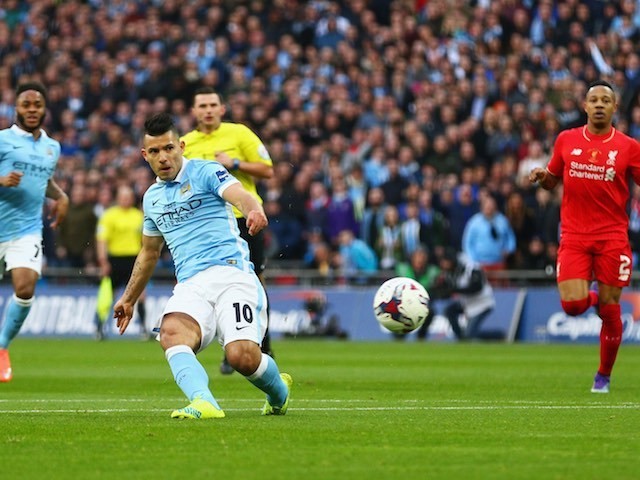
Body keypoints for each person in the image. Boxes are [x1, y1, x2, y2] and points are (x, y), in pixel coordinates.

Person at [113, 112, 292, 419]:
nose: (163, 157)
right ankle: (204, 402)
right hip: (191, 284)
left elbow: (240, 195)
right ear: (145, 155)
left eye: (168, 148)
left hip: (232, 275)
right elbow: (148, 253)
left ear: (181, 146)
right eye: (155, 151)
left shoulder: (206, 171)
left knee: (242, 357)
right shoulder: (152, 198)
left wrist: (253, 210)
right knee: (170, 333)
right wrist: (129, 299)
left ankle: (280, 391)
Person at [530, 80, 640, 393]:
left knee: (609, 311)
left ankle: (603, 377)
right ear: (585, 106)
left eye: (607, 100)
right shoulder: (566, 140)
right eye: (595, 100)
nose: (600, 104)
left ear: (615, 107)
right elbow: (552, 182)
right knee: (574, 306)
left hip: (612, 238)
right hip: (575, 236)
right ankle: (592, 295)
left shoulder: (630, 147)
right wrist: (542, 177)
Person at [181, 86, 274, 374]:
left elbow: (267, 169)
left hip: (242, 218)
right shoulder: (184, 143)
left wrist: (234, 163)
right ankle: (231, 346)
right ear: (193, 111)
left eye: (212, 104)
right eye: (202, 105)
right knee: (214, 283)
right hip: (205, 225)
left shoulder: (240, 134)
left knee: (254, 280)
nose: (207, 110)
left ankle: (260, 344)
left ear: (222, 109)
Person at [0, 81, 69, 382]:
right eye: (26, 104)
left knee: (26, 288)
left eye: (36, 105)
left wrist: (61, 196)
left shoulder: (51, 147)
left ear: (44, 109)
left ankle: (1, 348)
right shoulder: (2, 140)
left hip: (26, 229)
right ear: (16, 107)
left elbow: (44, 181)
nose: (31, 110)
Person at [95, 185, 147, 340]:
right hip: (114, 259)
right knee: (107, 296)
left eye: (128, 197)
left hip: (134, 260)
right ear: (118, 198)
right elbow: (102, 240)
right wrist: (103, 261)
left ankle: (143, 329)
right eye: (123, 197)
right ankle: (99, 328)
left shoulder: (139, 216)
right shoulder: (109, 215)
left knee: (141, 295)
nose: (126, 200)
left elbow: (145, 242)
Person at [422, 248, 496, 340]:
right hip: (467, 303)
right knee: (450, 311)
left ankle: (497, 336)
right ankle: (460, 337)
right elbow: (445, 289)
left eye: (445, 261)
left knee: (469, 335)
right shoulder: (449, 273)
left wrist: (456, 290)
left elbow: (477, 287)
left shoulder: (471, 268)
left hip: (482, 303)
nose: (443, 264)